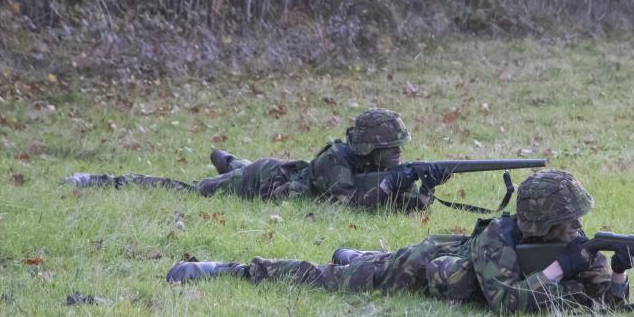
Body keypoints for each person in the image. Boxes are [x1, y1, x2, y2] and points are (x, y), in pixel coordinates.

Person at [166, 170, 634, 314]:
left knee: (360, 264)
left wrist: (621, 273)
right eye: (568, 222)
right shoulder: (497, 240)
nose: (577, 230)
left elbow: (603, 303)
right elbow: (507, 302)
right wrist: (561, 268)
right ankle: (231, 270)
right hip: (419, 267)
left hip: (453, 262)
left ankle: (361, 255)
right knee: (334, 278)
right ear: (545, 222)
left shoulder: (571, 244)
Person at [65, 108, 451, 212]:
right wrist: (395, 183)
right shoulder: (337, 159)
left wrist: (425, 190)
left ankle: (230, 161)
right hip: (267, 181)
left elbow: (392, 208)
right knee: (192, 191)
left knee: (231, 168)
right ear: (371, 147)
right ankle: (101, 180)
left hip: (290, 176)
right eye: (392, 149)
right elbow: (348, 205)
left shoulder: (378, 168)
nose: (399, 155)